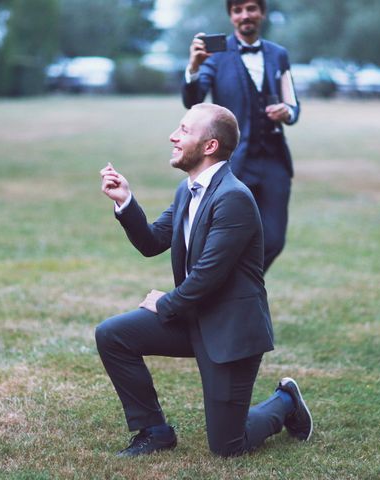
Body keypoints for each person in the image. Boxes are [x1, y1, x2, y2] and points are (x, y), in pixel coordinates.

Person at [96, 103, 312, 457]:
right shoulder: (188, 190)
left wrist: (163, 304)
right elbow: (152, 242)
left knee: (228, 446)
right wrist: (126, 202)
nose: (173, 136)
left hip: (230, 331)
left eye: (184, 130)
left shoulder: (234, 199)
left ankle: (285, 401)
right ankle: (154, 431)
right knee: (113, 335)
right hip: (194, 319)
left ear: (209, 146)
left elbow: (207, 277)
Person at [182, 0, 300, 272]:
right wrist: (193, 68)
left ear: (262, 12)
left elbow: (293, 103)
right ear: (231, 16)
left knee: (273, 240)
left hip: (274, 162)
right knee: (224, 240)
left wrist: (288, 112)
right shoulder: (216, 55)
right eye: (238, 10)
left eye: (251, 8)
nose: (245, 15)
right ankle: (224, 297)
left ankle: (234, 289)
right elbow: (193, 99)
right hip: (233, 163)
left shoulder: (278, 54)